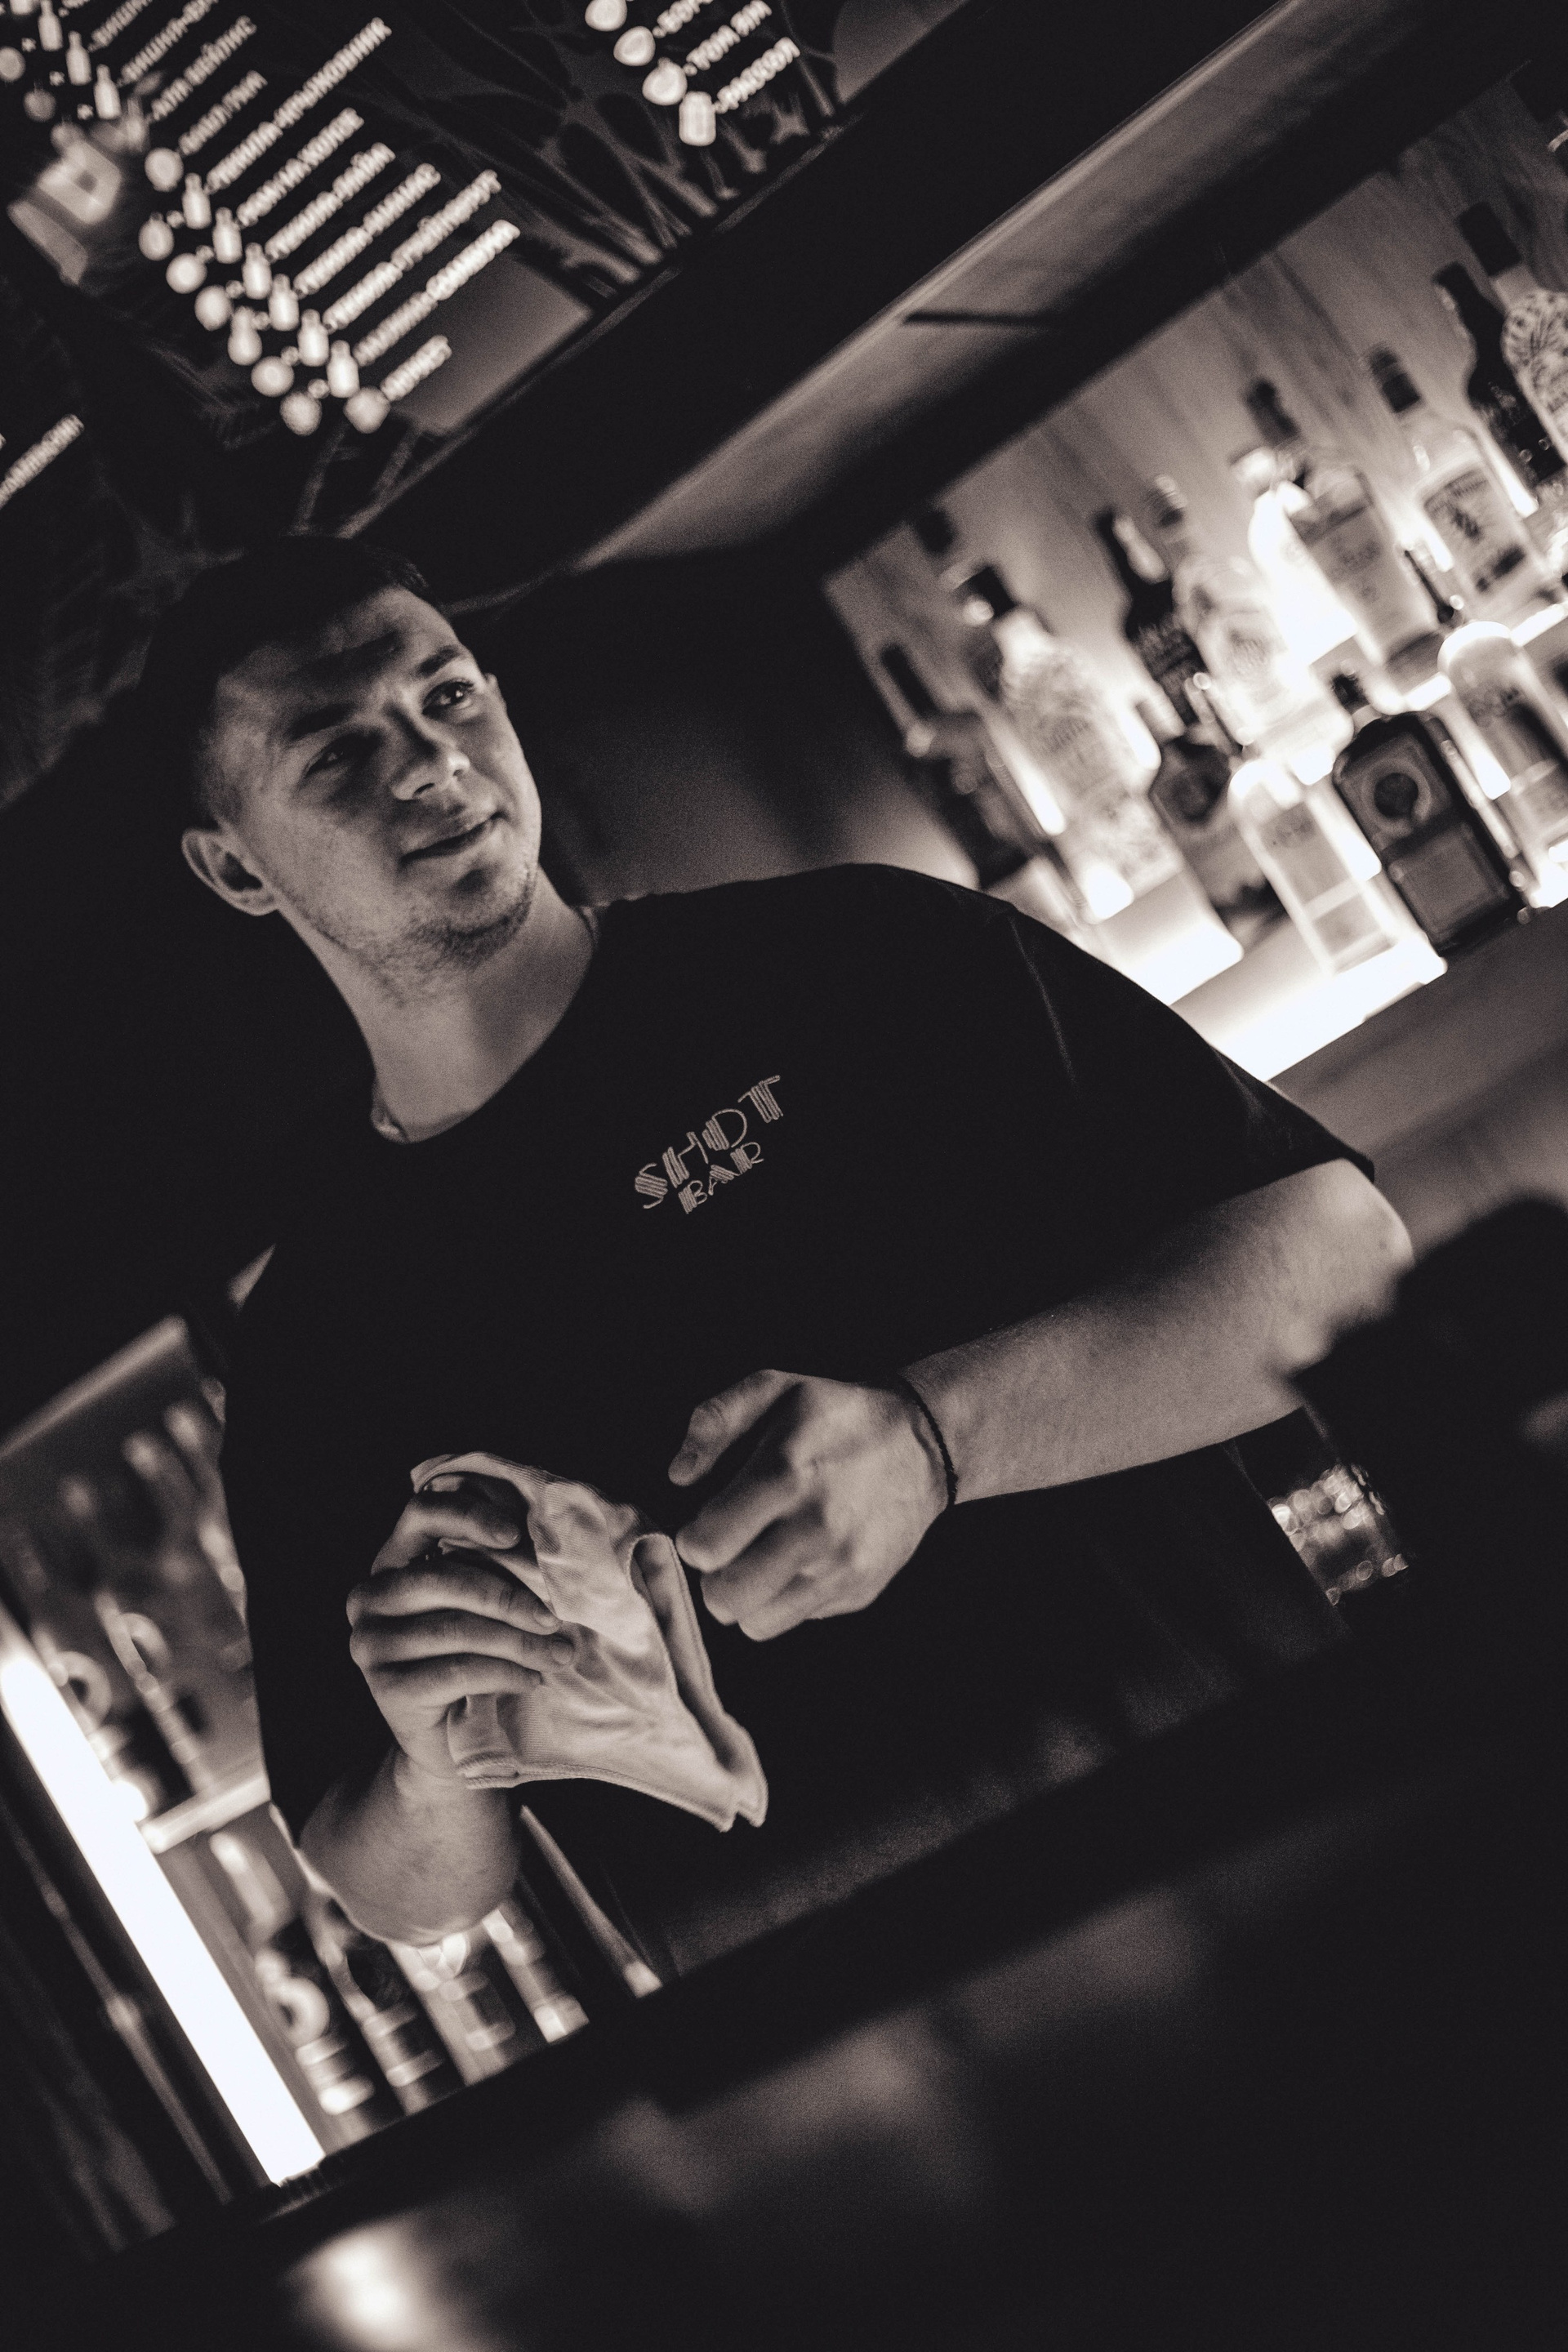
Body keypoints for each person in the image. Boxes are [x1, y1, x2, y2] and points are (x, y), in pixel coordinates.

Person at [137, 537, 1409, 1981]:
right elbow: (395, 1888)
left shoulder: (863, 960)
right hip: (861, 2057)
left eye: (447, 698)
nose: (431, 766)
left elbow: (1344, 1248)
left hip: (1301, 1846)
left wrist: (936, 1441)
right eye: (336, 756)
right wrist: (437, 1765)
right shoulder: (320, 1331)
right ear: (234, 867)